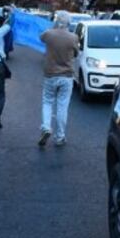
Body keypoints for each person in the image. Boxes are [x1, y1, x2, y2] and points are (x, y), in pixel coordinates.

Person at [38, 11, 78, 148]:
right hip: (66, 76)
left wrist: (53, 27)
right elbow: (76, 53)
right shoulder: (73, 37)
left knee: (47, 102)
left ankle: (46, 127)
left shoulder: (49, 34)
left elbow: (40, 38)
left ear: (57, 21)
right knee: (62, 106)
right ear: (69, 23)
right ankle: (60, 137)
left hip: (50, 75)